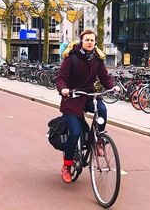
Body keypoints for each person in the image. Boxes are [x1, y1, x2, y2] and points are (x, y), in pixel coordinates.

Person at [56, 29, 120, 184]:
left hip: (88, 96)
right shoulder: (72, 58)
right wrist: (63, 89)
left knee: (102, 109)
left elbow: (104, 77)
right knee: (75, 132)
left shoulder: (97, 59)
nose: (90, 42)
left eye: (92, 40)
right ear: (81, 41)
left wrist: (113, 87)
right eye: (87, 40)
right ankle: (67, 165)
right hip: (72, 97)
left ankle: (98, 140)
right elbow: (61, 78)